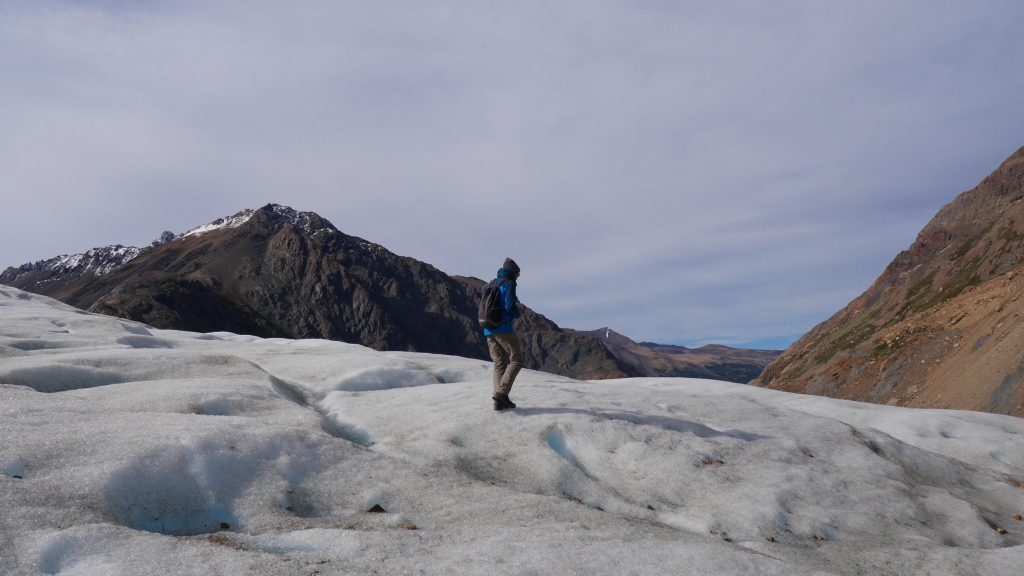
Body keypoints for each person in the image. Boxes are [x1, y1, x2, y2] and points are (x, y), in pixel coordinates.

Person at [484, 258, 523, 411]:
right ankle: (501, 393)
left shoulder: (491, 283)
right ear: (513, 272)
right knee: (517, 360)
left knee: (499, 363)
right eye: (518, 274)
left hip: (488, 328)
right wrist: (517, 314)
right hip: (503, 327)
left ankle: (499, 401)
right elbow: (509, 304)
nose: (518, 277)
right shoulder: (509, 282)